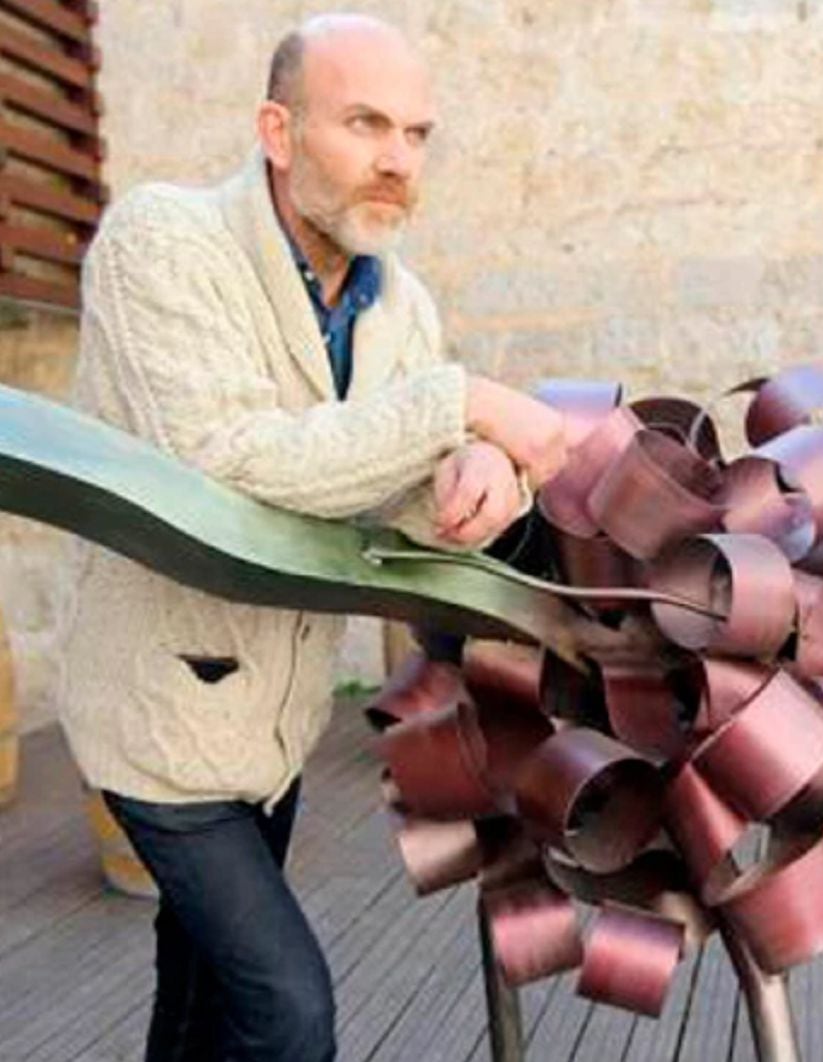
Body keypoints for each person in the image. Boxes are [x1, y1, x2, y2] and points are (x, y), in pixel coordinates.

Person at [57, 13, 567, 1061]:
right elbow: (231, 466)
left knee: (197, 1002)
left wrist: (482, 471)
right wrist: (458, 404)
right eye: (367, 123)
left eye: (418, 134)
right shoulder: (162, 239)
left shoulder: (402, 305)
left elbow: (395, 487)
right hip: (157, 716)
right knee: (288, 1015)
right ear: (278, 132)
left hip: (275, 729)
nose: (398, 161)